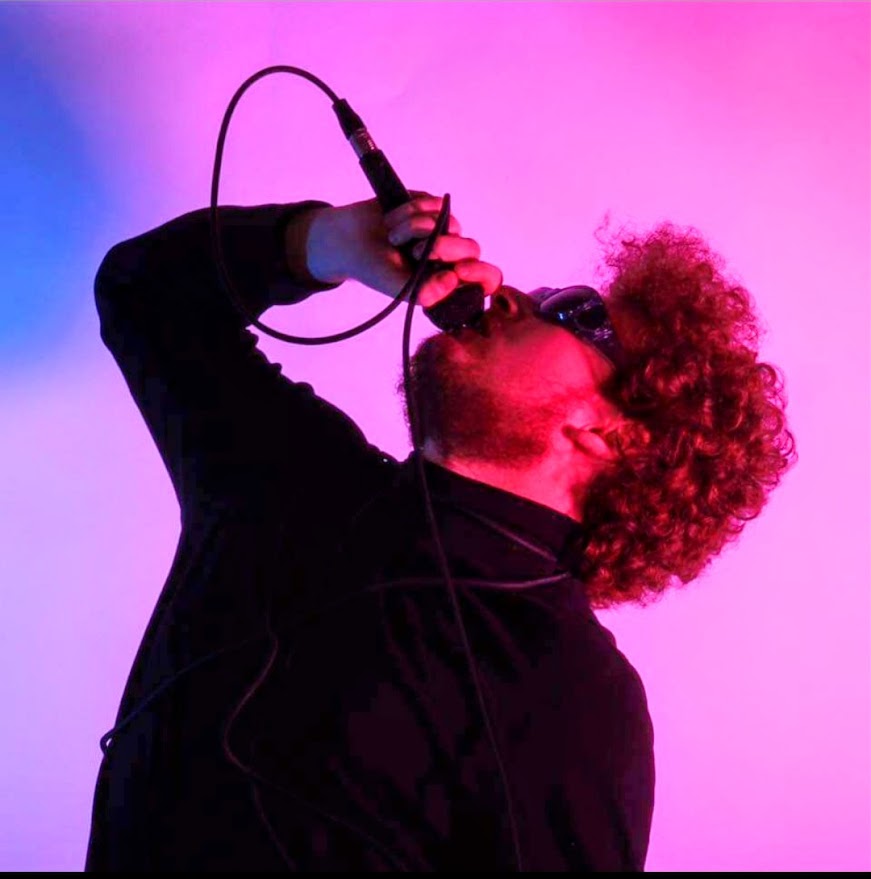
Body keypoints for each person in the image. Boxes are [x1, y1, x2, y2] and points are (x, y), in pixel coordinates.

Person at [85, 193, 796, 872]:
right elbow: (143, 294)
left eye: (576, 312)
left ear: (613, 433)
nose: (512, 293)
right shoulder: (295, 476)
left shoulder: (575, 695)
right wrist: (322, 244)